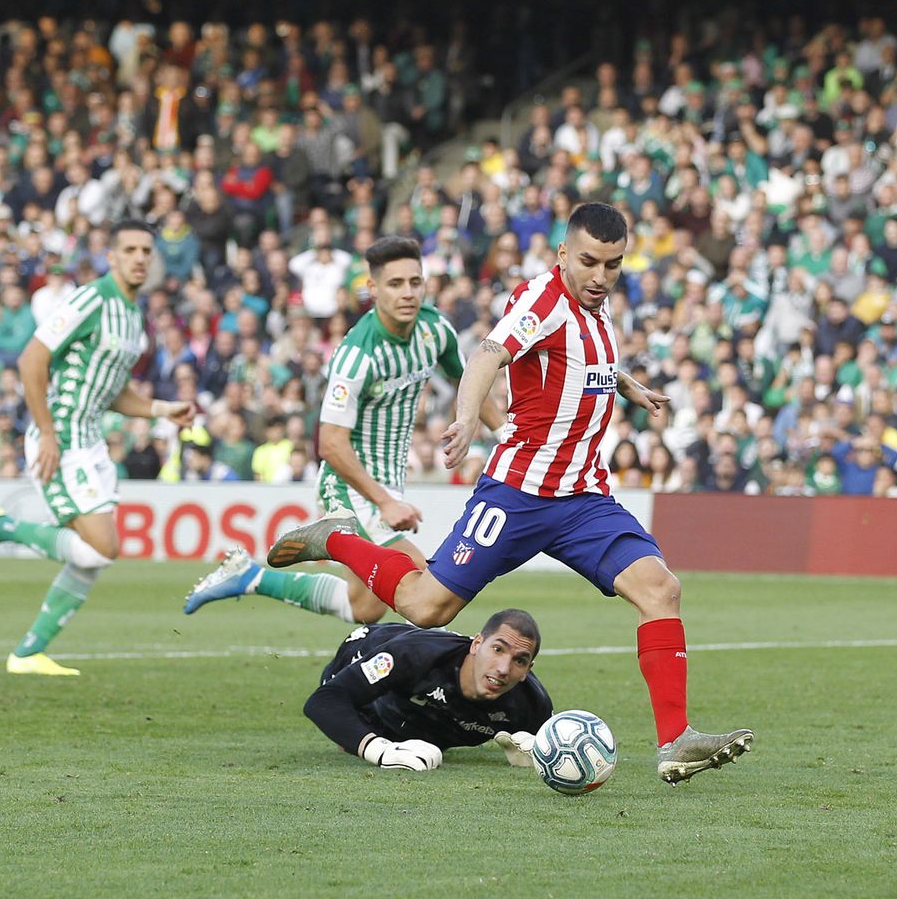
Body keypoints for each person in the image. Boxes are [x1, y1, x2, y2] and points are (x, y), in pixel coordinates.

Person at [268, 203, 753, 784]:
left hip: (582, 501)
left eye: (613, 264)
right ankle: (339, 538)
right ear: (562, 255)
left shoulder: (598, 313)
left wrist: (628, 385)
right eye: (589, 262)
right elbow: (487, 355)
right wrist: (469, 417)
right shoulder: (541, 301)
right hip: (518, 494)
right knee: (427, 609)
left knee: (660, 589)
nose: (600, 276)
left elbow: (585, 366)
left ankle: (675, 741)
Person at [183, 236, 503, 623]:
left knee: (364, 607)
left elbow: (468, 380)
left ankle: (250, 576)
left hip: (391, 483)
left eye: (415, 282)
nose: (408, 293)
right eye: (395, 284)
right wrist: (384, 502)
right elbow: (330, 444)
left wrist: (505, 433)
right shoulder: (357, 356)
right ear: (372, 289)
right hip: (350, 486)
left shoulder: (435, 331)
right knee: (423, 588)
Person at [0, 221, 195, 676]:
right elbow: (32, 359)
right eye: (130, 249)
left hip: (90, 441)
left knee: (92, 557)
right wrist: (46, 432)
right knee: (100, 548)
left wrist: (164, 409)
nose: (140, 257)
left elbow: (115, 392)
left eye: (147, 250)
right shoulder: (92, 298)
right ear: (112, 257)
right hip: (62, 437)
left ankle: (28, 653)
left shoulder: (132, 315)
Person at [304, 608, 552, 771]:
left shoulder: (532, 705)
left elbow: (558, 744)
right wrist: (377, 749)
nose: (503, 668)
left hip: (429, 719)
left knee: (429, 745)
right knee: (348, 730)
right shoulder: (413, 656)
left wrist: (539, 752)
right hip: (368, 651)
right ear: (476, 644)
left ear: (528, 670)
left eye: (519, 660)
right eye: (497, 649)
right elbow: (323, 701)